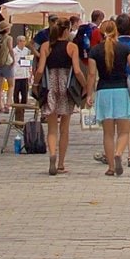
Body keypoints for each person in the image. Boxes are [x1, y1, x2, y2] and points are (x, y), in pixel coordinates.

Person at [91, 13, 130, 176]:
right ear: (116, 32)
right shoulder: (125, 48)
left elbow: (91, 75)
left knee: (107, 133)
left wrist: (88, 94)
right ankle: (119, 153)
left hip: (103, 91)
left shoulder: (94, 51)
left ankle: (111, 167)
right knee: (124, 131)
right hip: (122, 91)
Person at [37, 16, 84, 175]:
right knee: (64, 128)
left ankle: (52, 154)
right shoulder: (72, 47)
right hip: (66, 87)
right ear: (68, 30)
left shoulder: (45, 46)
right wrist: (85, 85)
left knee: (51, 128)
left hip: (50, 85)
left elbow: (40, 69)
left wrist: (35, 84)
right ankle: (61, 164)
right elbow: (77, 70)